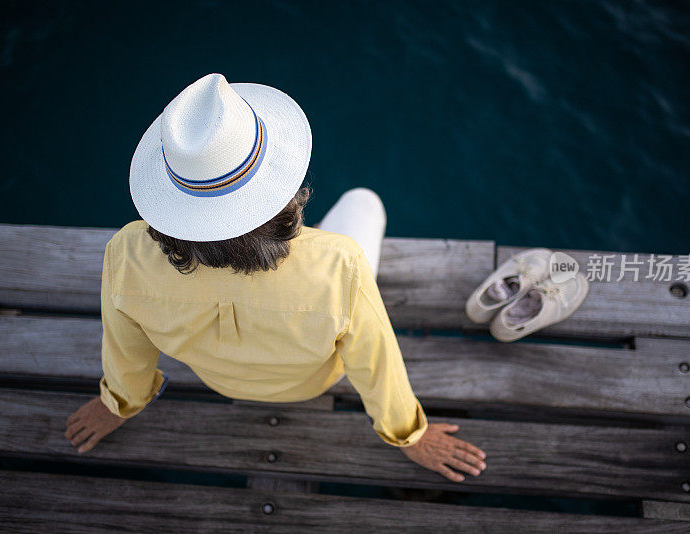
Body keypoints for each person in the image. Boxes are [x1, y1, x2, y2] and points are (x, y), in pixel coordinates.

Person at [63, 73, 487, 483]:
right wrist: (410, 436)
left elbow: (127, 352)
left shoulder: (126, 254)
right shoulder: (340, 265)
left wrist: (117, 404)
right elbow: (377, 365)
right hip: (308, 385)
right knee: (364, 201)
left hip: (221, 381)